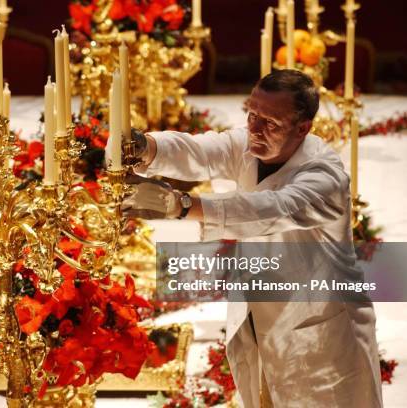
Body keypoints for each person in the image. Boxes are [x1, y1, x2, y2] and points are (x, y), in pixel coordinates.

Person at [122, 70, 382, 407]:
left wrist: (184, 205)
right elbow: (197, 151)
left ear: (303, 129)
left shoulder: (324, 176)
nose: (255, 129)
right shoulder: (247, 143)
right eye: (252, 115)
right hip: (262, 320)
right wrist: (146, 147)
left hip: (323, 331)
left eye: (270, 123)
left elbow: (272, 209)